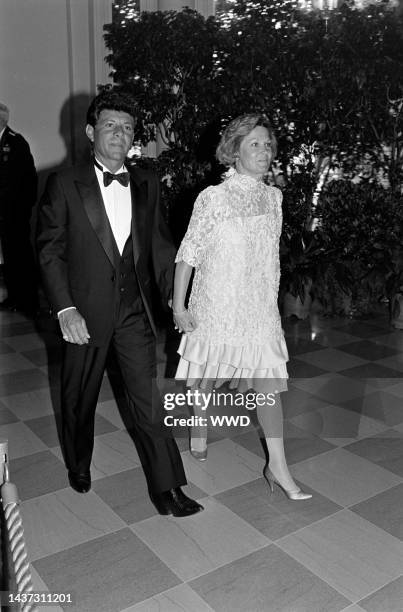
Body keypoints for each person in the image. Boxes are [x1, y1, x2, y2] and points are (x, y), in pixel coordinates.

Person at [36, 90, 203, 517]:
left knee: (149, 399)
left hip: (134, 312)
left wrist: (176, 296)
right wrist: (64, 308)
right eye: (110, 125)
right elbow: (50, 250)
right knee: (79, 397)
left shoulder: (146, 181)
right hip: (84, 314)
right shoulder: (64, 182)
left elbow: (161, 248)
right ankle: (78, 463)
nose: (119, 133)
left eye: (127, 127)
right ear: (91, 131)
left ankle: (169, 488)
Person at [172, 114, 312, 501]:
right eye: (254, 144)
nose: (264, 151)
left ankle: (278, 465)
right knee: (206, 374)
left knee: (269, 384)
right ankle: (199, 425)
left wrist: (270, 305)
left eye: (268, 144)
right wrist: (179, 306)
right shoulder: (212, 198)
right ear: (233, 151)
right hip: (217, 300)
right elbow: (189, 254)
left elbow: (272, 258)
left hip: (258, 307)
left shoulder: (274, 197)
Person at [0, 103, 38, 314]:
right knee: (9, 255)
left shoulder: (16, 142)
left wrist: (23, 209)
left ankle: (29, 301)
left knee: (20, 256)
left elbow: (28, 180)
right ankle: (15, 297)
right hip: (3, 214)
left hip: (15, 213)